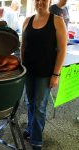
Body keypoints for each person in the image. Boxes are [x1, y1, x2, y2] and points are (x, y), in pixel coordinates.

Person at [21, 0, 67, 150]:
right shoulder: (27, 21)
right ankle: (31, 129)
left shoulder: (57, 20)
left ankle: (36, 140)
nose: (40, 2)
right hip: (28, 71)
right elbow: (23, 46)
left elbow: (62, 49)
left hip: (45, 73)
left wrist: (56, 74)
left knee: (40, 106)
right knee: (30, 103)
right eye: (37, 0)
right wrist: (22, 67)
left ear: (50, 2)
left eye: (44, 0)